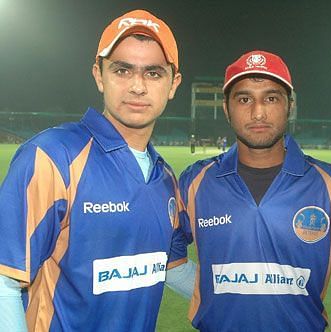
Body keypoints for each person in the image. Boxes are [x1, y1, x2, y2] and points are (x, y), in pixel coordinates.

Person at [0, 9, 192, 331]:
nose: (137, 87)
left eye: (154, 73)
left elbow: (171, 268)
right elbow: (4, 281)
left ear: (173, 84)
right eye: (122, 70)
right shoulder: (52, 157)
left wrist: (256, 295)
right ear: (99, 75)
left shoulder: (165, 179)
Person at [178, 50, 331, 331]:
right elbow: (167, 254)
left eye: (271, 98)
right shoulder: (195, 181)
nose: (258, 112)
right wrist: (209, 299)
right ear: (227, 108)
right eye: (244, 99)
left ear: (290, 105)